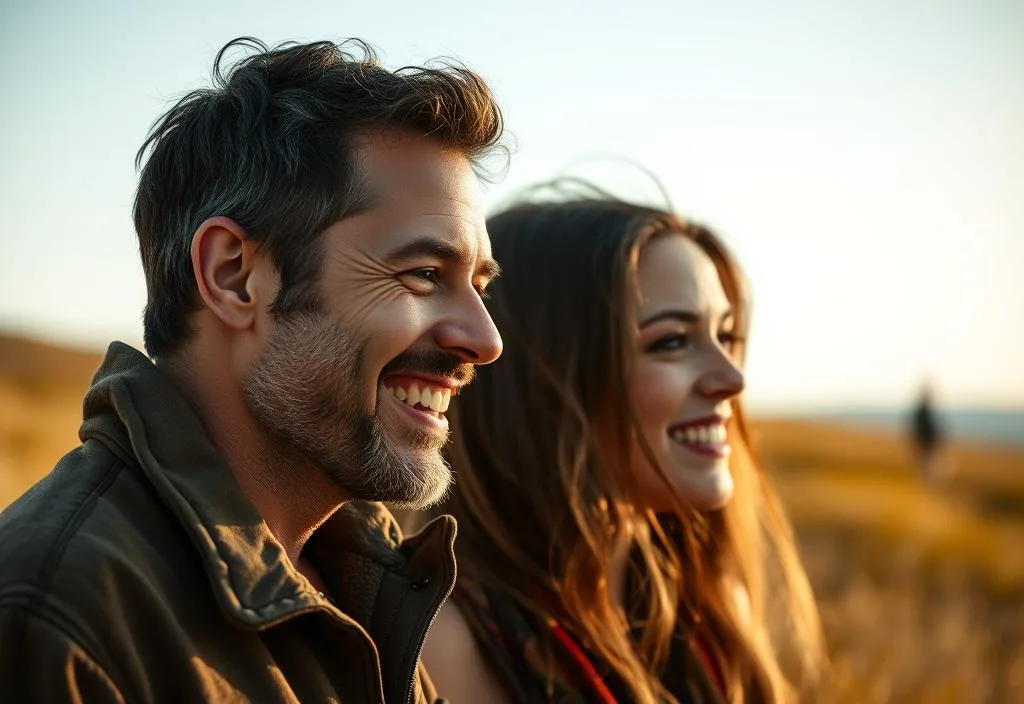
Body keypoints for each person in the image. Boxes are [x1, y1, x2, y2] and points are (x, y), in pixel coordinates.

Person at [0, 37, 504, 703]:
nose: (484, 339)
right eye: (422, 274)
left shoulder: (360, 577)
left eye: (479, 285)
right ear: (235, 276)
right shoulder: (63, 616)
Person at [420, 188, 825, 703]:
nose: (730, 378)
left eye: (726, 336)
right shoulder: (450, 647)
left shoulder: (710, 617)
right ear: (542, 386)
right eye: (671, 341)